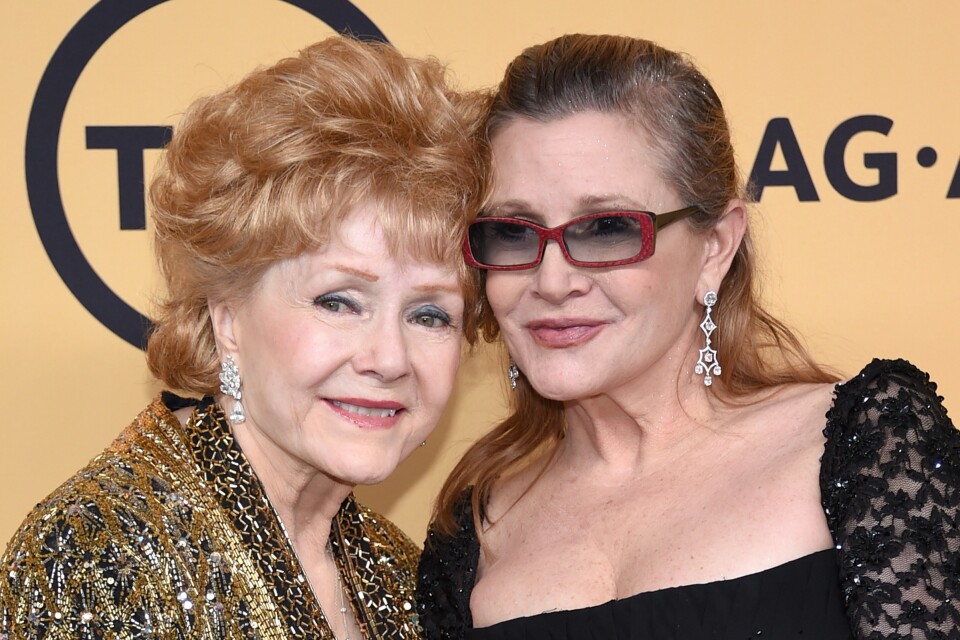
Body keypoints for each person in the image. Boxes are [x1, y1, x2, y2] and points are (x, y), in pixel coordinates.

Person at [416, 33, 960, 639]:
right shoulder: (473, 530)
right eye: (514, 232)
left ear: (715, 247)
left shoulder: (865, 444)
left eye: (606, 229)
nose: (552, 280)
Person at [0, 36, 485, 639]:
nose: (389, 358)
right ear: (227, 317)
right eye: (338, 301)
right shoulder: (97, 554)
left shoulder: (398, 573)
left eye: (430, 315)